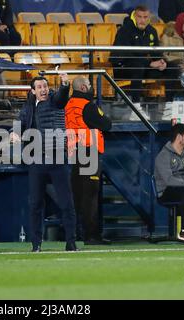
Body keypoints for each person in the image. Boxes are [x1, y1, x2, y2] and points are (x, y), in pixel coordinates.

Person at [9, 74, 78, 252]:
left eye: (45, 86)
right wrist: (14, 132)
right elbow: (19, 123)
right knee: (35, 204)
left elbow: (63, 95)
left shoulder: (55, 100)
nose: (43, 90)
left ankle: (71, 242)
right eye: (39, 87)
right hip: (37, 160)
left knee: (66, 202)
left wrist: (64, 83)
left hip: (57, 158)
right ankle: (36, 244)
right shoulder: (28, 108)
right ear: (33, 91)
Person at [65, 76, 112, 245]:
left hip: (74, 152)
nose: (92, 88)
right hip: (89, 151)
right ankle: (91, 235)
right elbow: (107, 124)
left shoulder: (68, 105)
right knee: (90, 196)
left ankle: (75, 233)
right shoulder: (88, 106)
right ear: (84, 88)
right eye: (90, 85)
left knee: (77, 195)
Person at [109, 5, 174, 121]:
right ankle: (136, 109)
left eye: (145, 17)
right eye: (139, 17)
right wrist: (150, 63)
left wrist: (161, 61)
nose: (142, 20)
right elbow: (124, 55)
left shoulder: (151, 31)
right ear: (134, 16)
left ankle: (169, 108)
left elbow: (156, 53)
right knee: (137, 65)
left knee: (172, 67)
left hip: (143, 68)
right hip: (123, 69)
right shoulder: (124, 30)